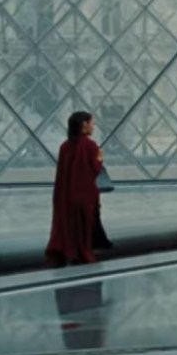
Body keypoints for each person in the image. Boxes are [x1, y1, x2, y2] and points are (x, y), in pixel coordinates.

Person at [46, 112, 111, 267]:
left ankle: (69, 252)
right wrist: (100, 158)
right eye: (92, 123)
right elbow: (94, 170)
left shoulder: (64, 146)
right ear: (84, 125)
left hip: (66, 195)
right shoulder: (90, 145)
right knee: (85, 228)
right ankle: (83, 253)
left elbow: (61, 173)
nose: (94, 126)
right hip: (85, 195)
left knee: (70, 227)